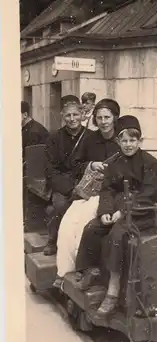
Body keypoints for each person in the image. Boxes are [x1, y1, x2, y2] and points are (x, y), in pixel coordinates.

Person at [74, 115, 157, 317]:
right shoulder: (115, 163)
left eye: (133, 140)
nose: (128, 145)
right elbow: (107, 190)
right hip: (116, 211)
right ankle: (90, 270)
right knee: (92, 228)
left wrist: (123, 210)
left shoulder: (150, 163)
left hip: (142, 214)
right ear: (118, 141)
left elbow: (150, 193)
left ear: (140, 141)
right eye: (124, 140)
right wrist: (105, 212)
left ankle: (113, 291)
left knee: (117, 235)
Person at [53, 98, 121, 288]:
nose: (103, 122)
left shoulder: (122, 140)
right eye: (99, 118)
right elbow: (75, 164)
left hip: (110, 194)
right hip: (89, 191)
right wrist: (91, 165)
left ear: (114, 118)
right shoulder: (90, 139)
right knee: (67, 222)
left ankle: (81, 269)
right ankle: (64, 271)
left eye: (107, 117)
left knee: (83, 222)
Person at [43, 96, 93, 256]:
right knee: (59, 206)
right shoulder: (54, 138)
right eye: (68, 116)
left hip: (85, 183)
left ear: (82, 115)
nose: (72, 119)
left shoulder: (91, 137)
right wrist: (68, 188)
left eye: (75, 115)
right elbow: (50, 170)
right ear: (62, 117)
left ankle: (82, 247)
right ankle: (53, 240)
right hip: (63, 184)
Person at [21, 101, 49, 228]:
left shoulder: (34, 132)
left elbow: (31, 159)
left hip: (38, 172)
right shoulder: (27, 128)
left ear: (25, 114)